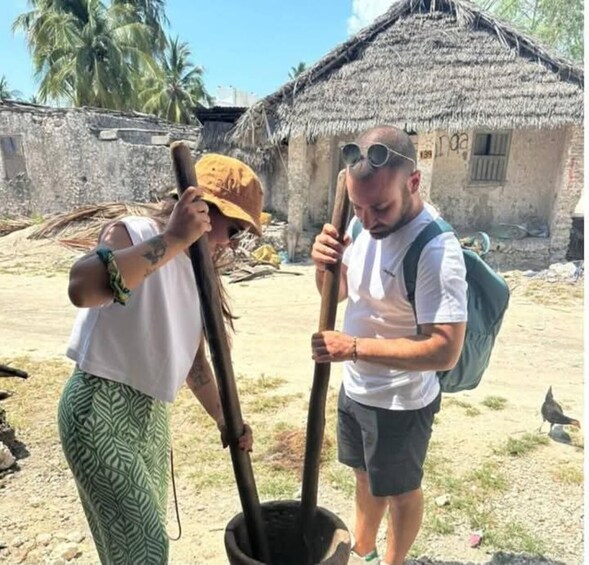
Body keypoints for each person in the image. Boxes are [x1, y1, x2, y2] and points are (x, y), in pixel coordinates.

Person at [58, 153, 263, 565]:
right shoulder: (134, 232)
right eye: (234, 229)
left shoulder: (199, 270)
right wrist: (173, 239)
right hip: (99, 408)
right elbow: (82, 287)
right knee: (145, 548)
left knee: (135, 550)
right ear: (202, 208)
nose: (231, 242)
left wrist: (225, 418)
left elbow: (195, 364)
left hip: (150, 416)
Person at [311, 126, 468, 565]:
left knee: (400, 491)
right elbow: (341, 293)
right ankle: (364, 551)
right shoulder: (362, 224)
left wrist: (353, 348)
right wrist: (324, 265)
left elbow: (444, 350)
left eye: (379, 207)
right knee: (365, 477)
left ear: (413, 182)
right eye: (358, 207)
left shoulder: (436, 251)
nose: (367, 219)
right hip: (357, 388)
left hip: (400, 401)